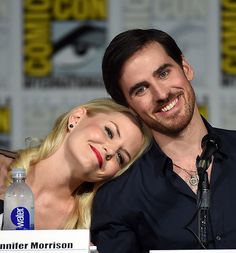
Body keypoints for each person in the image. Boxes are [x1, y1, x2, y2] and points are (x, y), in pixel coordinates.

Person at [90, 29, 236, 252]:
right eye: (141, 89)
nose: (160, 94)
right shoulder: (118, 195)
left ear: (185, 68)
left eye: (163, 73)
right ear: (129, 107)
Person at [0, 98, 151, 229]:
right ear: (76, 118)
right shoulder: (2, 167)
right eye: (109, 132)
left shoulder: (95, 224)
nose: (110, 151)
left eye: (120, 157)